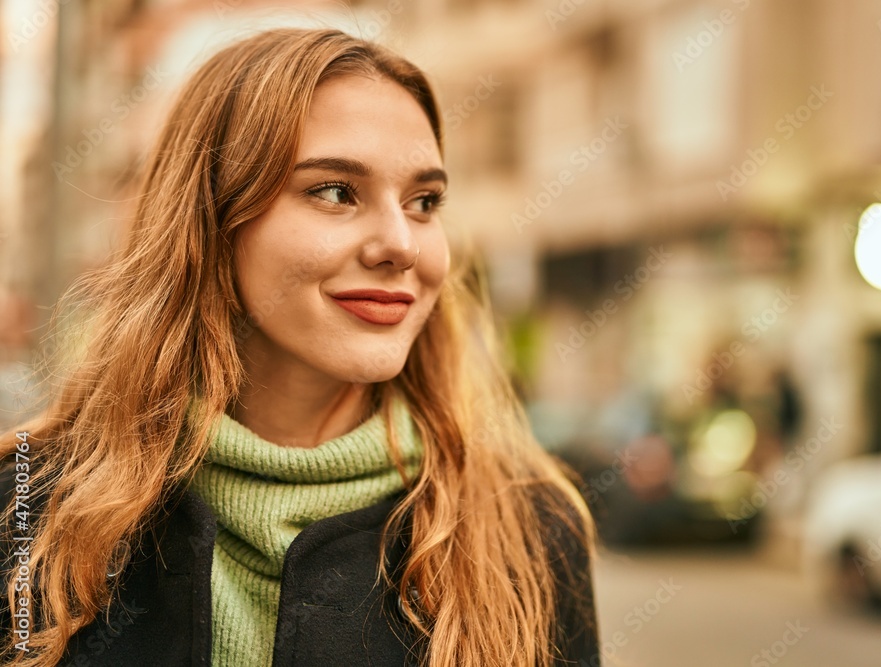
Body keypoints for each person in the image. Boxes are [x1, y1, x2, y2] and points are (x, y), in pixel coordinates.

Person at [0, 28, 599, 667]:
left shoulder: (528, 530)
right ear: (212, 219)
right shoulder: (27, 510)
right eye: (335, 191)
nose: (401, 243)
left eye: (424, 202)